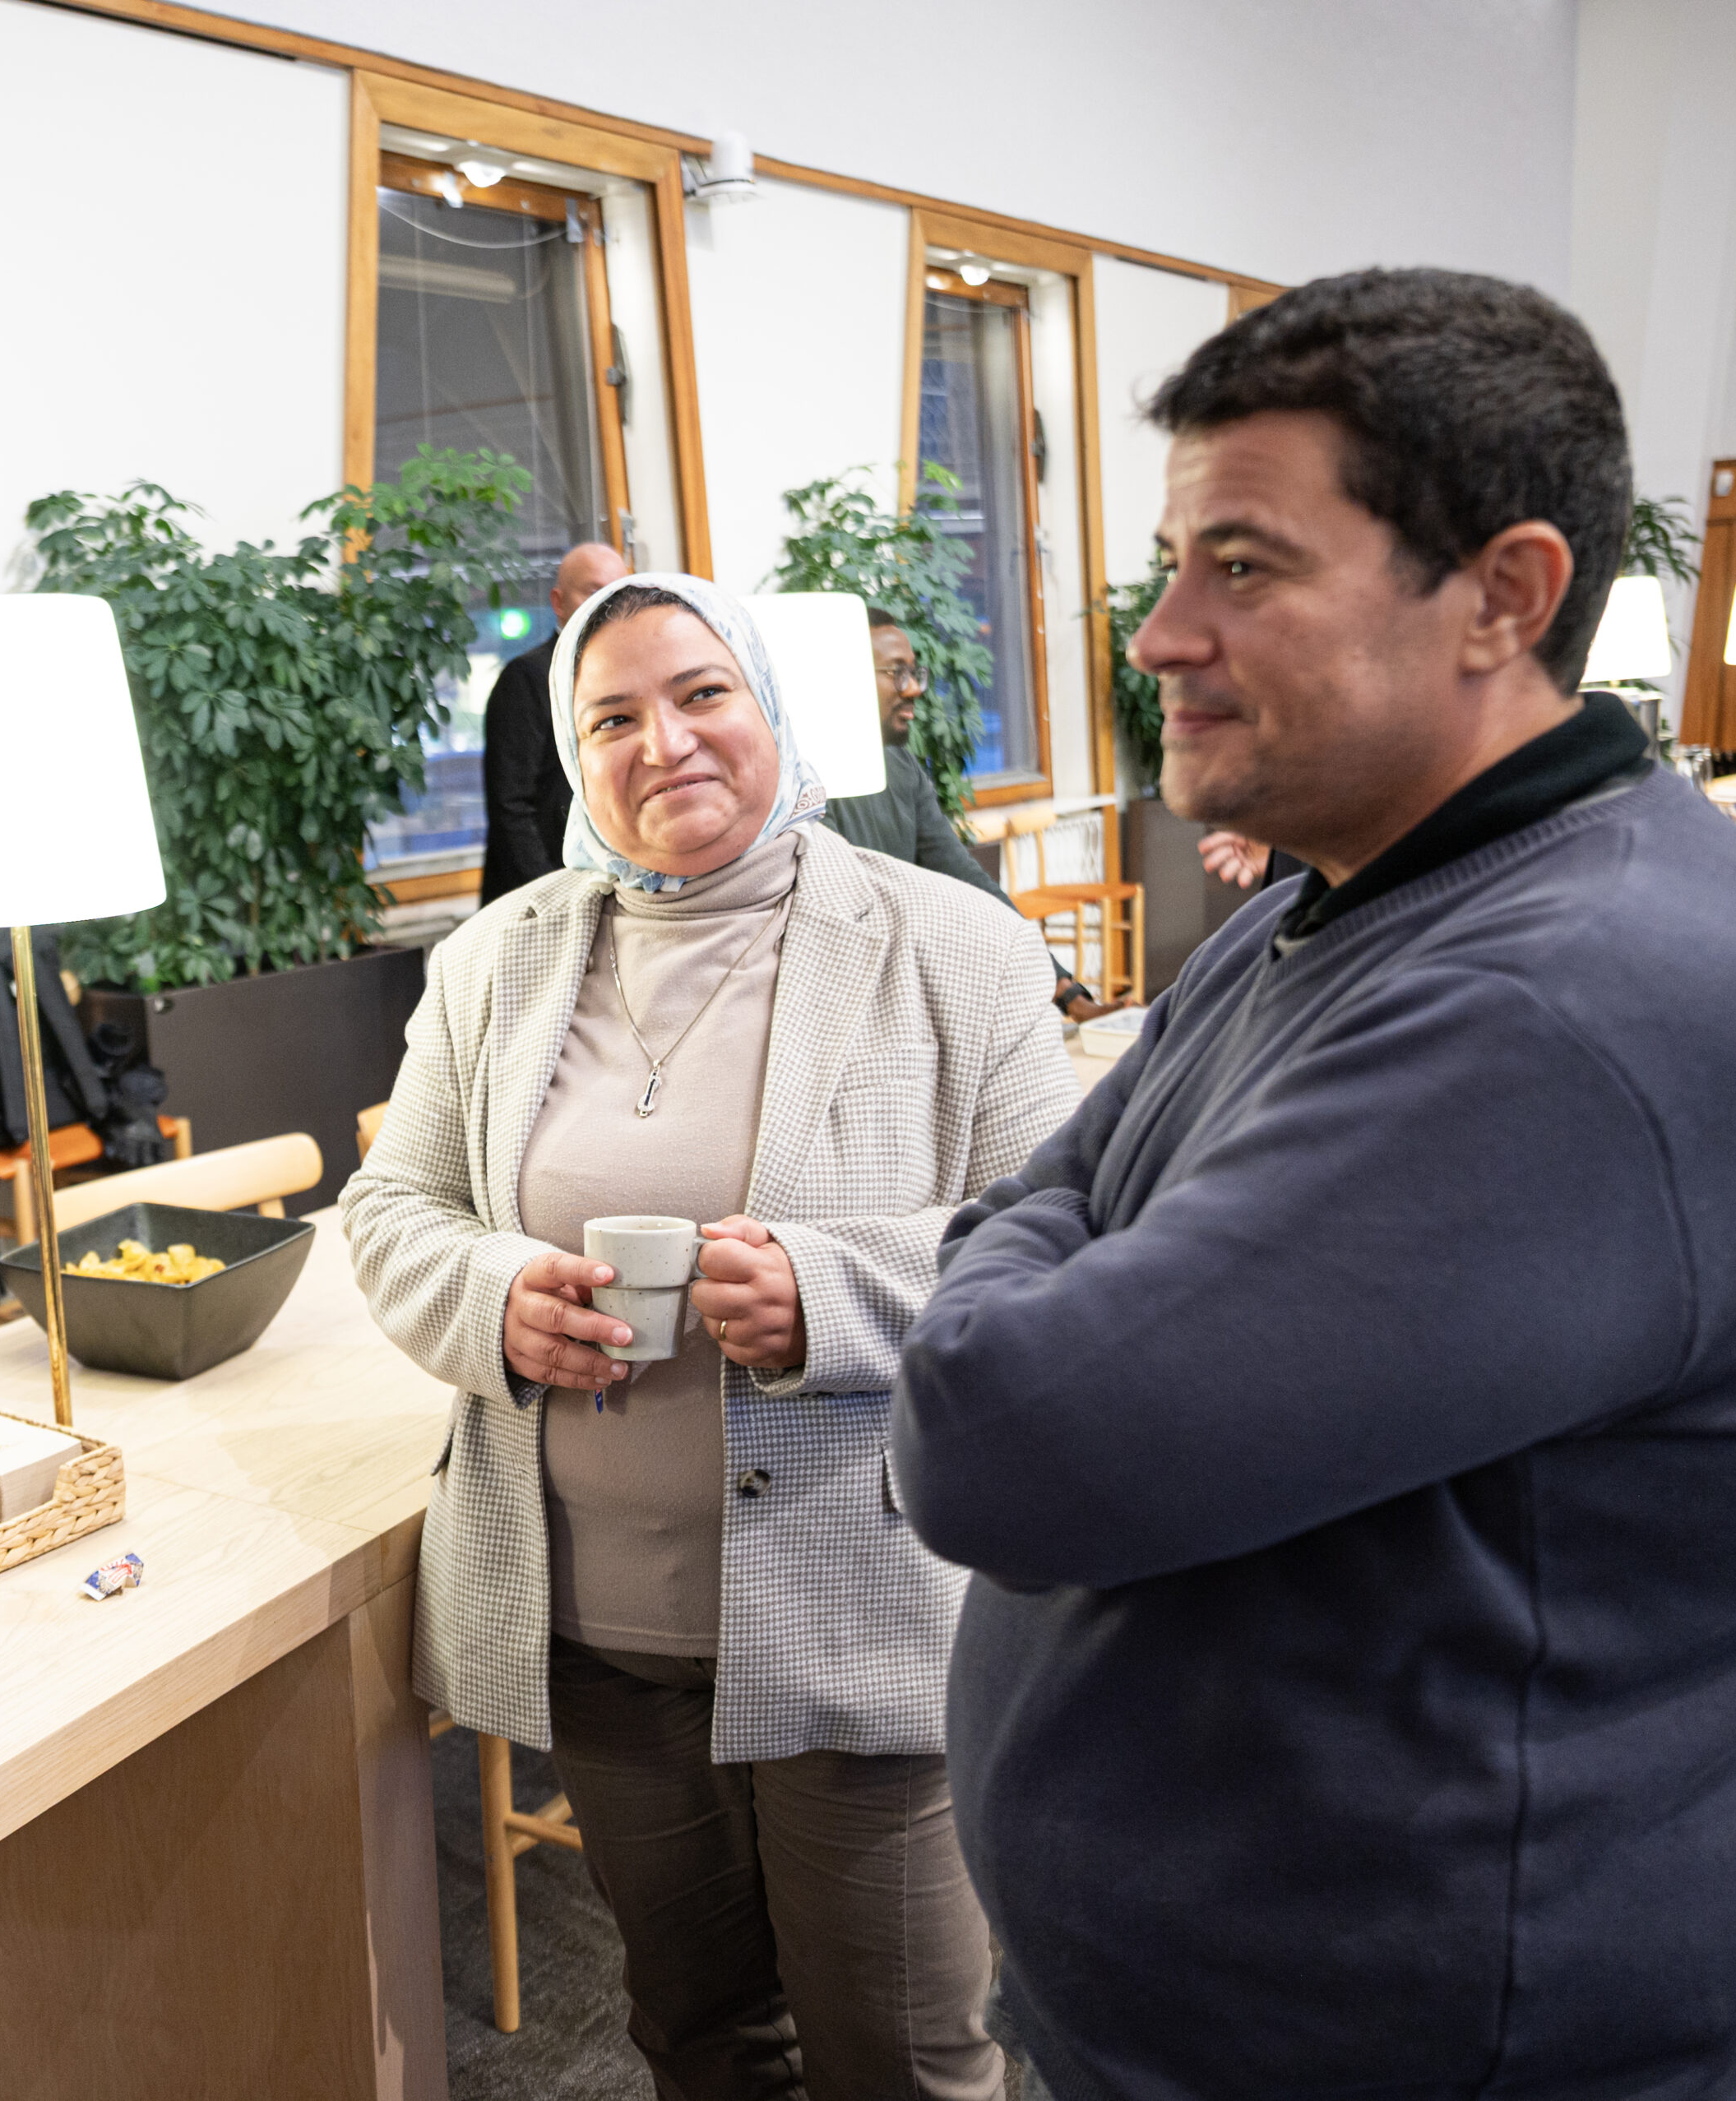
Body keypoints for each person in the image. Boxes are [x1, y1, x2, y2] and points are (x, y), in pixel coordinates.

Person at [891, 271, 1736, 2100]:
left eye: (1247, 568)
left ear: (1503, 596)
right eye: (1174, 561)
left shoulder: (1572, 999)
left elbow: (992, 1430)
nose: (1161, 635)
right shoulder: (1322, 899)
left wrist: (1041, 1232)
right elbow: (1062, 1174)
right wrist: (1059, 1211)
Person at [345, 572, 1076, 2101]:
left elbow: (1068, 1245)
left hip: (867, 1609)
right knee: (699, 2041)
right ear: (573, 750)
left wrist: (832, 1290)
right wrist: (495, 1297)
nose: (662, 741)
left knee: (908, 2061)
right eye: (612, 715)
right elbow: (393, 1207)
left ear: (769, 711)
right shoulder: (495, 963)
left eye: (701, 694)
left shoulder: (955, 949)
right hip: (602, 1637)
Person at [821, 609, 1113, 1020]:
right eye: (896, 672)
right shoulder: (801, 783)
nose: (914, 689)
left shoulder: (900, 766)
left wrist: (1064, 990)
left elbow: (966, 881)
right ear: (844, 674)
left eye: (914, 672)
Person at [481, 539, 632, 902]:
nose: (607, 605)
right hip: (539, 895)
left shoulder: (629, 676)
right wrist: (552, 895)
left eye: (618, 592)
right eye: (595, 591)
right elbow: (512, 807)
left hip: (614, 888)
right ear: (557, 602)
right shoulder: (528, 677)